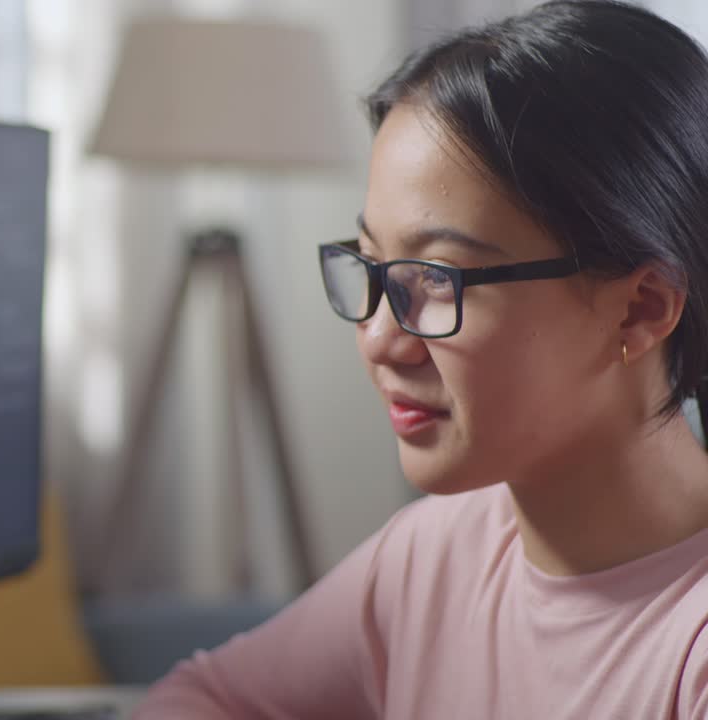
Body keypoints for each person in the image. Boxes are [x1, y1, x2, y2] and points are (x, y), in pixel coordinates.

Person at [133, 1, 708, 717]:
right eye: (373, 266)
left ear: (642, 308)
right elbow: (207, 696)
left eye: (438, 277)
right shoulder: (443, 550)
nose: (380, 340)